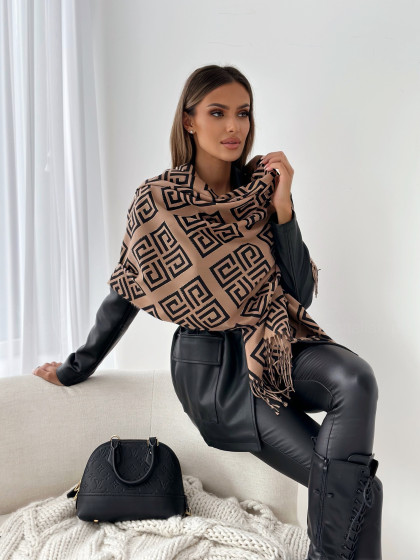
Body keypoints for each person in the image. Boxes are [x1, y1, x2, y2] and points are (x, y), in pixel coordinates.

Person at [33, 64, 382, 559]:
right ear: (189, 120)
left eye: (243, 113)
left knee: (356, 380)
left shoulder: (261, 191)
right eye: (217, 113)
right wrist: (75, 367)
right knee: (361, 491)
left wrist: (283, 208)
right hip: (215, 374)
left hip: (275, 343)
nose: (234, 126)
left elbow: (299, 293)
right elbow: (127, 291)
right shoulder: (158, 201)